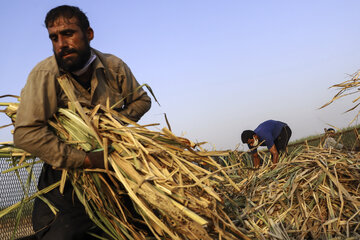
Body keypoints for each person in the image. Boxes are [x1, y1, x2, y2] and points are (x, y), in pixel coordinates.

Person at [13, 5, 151, 240]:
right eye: (54, 38)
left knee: (140, 225)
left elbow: (141, 99)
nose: (61, 44)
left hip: (115, 163)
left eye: (68, 33)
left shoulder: (113, 66)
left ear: (89, 34)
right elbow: (26, 133)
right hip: (66, 173)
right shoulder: (45, 74)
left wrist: (114, 124)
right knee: (61, 234)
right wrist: (86, 159)